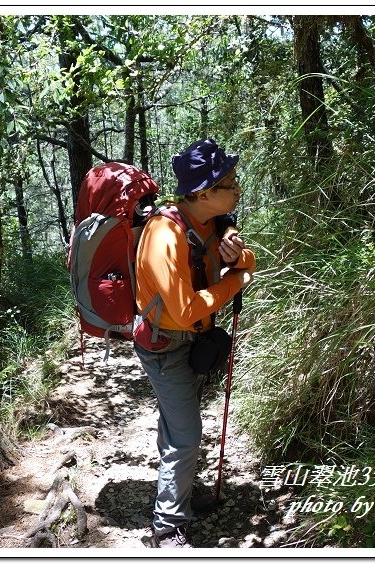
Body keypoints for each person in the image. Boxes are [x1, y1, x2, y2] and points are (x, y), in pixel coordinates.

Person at [133, 139, 256, 548]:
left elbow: (247, 260)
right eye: (229, 183)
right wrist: (232, 282)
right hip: (166, 346)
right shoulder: (164, 236)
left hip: (193, 341)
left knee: (179, 427)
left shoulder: (211, 223)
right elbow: (184, 309)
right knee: (186, 435)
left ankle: (180, 491)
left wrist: (238, 255)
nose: (237, 189)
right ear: (203, 193)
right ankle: (166, 527)